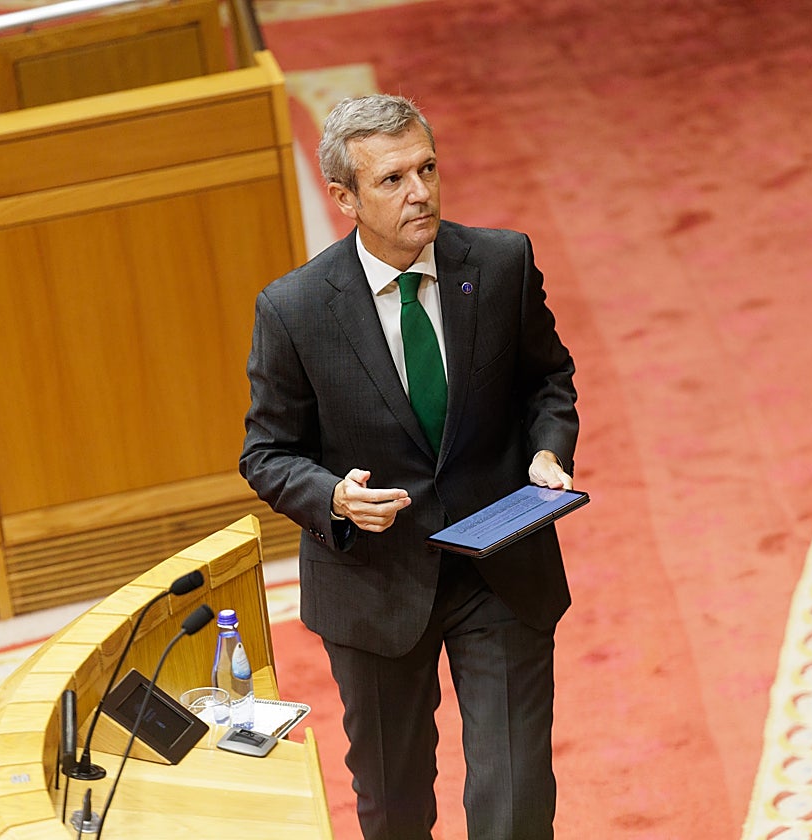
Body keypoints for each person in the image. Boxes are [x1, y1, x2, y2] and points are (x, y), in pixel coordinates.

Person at [239, 94, 578, 840]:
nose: (420, 190)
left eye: (426, 167)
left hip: (498, 564)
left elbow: (547, 380)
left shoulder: (499, 262)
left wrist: (548, 451)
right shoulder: (294, 310)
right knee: (394, 810)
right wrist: (332, 496)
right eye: (392, 179)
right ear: (344, 198)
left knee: (516, 801)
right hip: (375, 583)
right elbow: (265, 454)